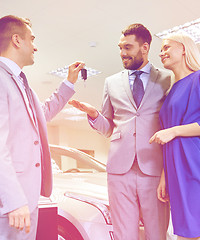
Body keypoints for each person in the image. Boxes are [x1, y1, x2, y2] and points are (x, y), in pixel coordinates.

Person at [0, 15, 84, 240]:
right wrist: (13, 199)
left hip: (27, 199)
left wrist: (69, 82)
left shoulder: (25, 87)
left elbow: (44, 113)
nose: (35, 46)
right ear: (16, 40)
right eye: (31, 39)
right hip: (8, 203)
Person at [69, 24, 171, 240]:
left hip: (153, 169)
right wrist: (95, 115)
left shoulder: (166, 79)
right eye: (120, 47)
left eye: (128, 47)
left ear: (144, 47)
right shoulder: (111, 82)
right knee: (124, 235)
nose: (122, 53)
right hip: (119, 171)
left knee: (157, 234)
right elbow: (108, 128)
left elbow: (171, 123)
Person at [149, 33, 200, 240]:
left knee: (191, 233)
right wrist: (164, 176)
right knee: (183, 232)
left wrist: (174, 131)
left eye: (166, 47)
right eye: (161, 49)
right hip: (175, 168)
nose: (161, 52)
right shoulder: (172, 90)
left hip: (195, 166)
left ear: (183, 49)